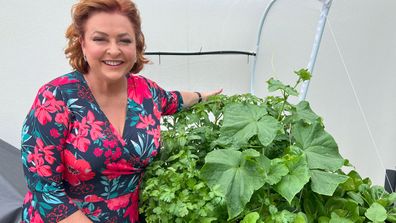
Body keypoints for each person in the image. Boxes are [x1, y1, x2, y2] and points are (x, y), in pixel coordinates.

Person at [20, 0, 222, 222]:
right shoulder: (56, 98)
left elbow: (173, 100)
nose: (114, 50)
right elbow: (44, 188)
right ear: (82, 43)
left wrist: (203, 96)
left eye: (124, 40)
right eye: (100, 39)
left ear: (136, 46)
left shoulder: (146, 93)